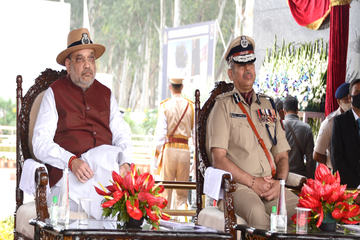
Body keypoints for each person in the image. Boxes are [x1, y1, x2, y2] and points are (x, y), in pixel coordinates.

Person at [31, 28, 133, 218]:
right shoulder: (54, 93)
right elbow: (40, 143)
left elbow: (121, 133)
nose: (88, 65)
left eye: (91, 58)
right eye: (80, 59)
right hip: (71, 179)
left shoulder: (106, 94)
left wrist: (125, 162)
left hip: (106, 175)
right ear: (68, 65)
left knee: (133, 208)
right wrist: (71, 161)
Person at [207, 35, 298, 226]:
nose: (247, 68)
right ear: (231, 74)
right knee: (258, 216)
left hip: (271, 185)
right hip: (239, 188)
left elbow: (281, 154)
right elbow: (218, 159)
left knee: (303, 213)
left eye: (250, 63)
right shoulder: (222, 107)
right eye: (241, 65)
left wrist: (279, 183)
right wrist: (252, 182)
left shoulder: (268, 105)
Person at [151, 78, 195, 209]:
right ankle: (183, 224)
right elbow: (196, 136)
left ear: (170, 87)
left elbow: (160, 136)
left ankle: (165, 226)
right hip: (185, 152)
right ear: (182, 87)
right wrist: (196, 161)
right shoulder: (191, 106)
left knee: (166, 194)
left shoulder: (165, 105)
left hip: (169, 151)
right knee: (182, 195)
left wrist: (155, 158)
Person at [313, 83, 350, 170]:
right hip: (336, 172)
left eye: (351, 98)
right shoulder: (329, 123)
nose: (350, 102)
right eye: (346, 99)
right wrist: (332, 163)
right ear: (339, 101)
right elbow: (317, 155)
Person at [331, 79, 360, 190]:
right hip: (348, 188)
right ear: (349, 97)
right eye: (357, 92)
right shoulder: (340, 121)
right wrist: (357, 186)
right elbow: (337, 159)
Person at [283, 95, 316, 179]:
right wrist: (308, 179)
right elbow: (310, 159)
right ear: (297, 110)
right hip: (299, 176)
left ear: (284, 111)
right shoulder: (306, 128)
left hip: (282, 176)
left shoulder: (279, 126)